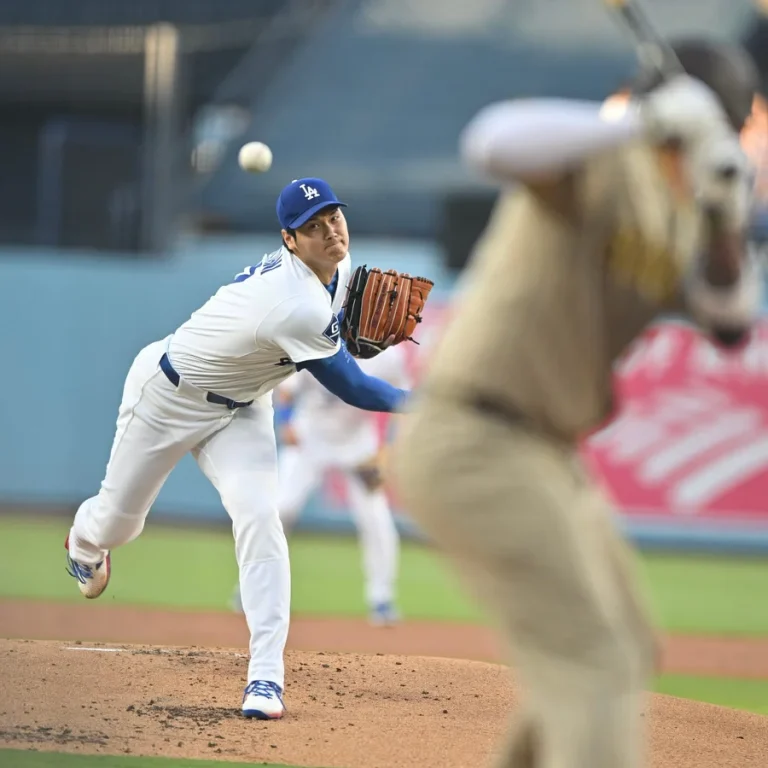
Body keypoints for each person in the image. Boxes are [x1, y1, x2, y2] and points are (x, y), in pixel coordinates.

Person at [391, 40, 761, 768]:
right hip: (474, 432)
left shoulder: (685, 211)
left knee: (621, 643)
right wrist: (640, 123)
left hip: (545, 453)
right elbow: (490, 140)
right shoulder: (602, 158)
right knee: (593, 657)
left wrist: (724, 220)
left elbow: (728, 321)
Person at [65, 177, 408, 720]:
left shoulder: (337, 268)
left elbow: (336, 341)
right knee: (119, 525)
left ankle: (265, 679)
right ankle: (84, 543)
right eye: (312, 228)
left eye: (334, 218)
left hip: (243, 407)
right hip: (168, 396)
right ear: (289, 241)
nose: (330, 232)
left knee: (260, 517)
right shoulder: (294, 303)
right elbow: (355, 387)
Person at [232, 345, 410, 625]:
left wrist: (385, 447)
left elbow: (402, 402)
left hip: (358, 447)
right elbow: (289, 388)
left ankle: (382, 599)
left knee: (377, 520)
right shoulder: (324, 339)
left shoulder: (390, 356)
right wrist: (287, 421)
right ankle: (250, 588)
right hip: (310, 438)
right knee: (281, 510)